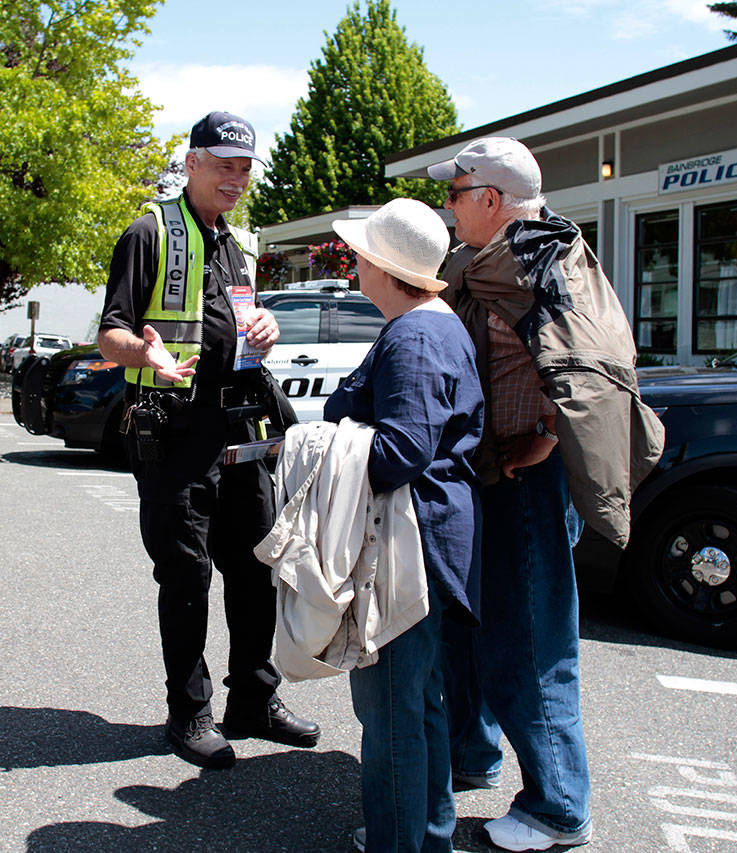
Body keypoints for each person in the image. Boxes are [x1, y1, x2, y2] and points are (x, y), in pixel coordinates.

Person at [427, 137, 663, 851]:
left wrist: (549, 436)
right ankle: (473, 753)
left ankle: (558, 808)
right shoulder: (489, 260)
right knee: (474, 627)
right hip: (487, 475)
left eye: (455, 193)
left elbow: (597, 361)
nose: (448, 206)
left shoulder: (545, 261)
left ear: (490, 199)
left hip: (524, 482)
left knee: (530, 642)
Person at [97, 111, 320, 769]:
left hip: (241, 430)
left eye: (245, 168)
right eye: (224, 165)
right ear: (192, 162)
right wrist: (144, 353)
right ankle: (188, 712)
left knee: (256, 568)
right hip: (175, 433)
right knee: (187, 576)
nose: (236, 178)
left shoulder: (235, 244)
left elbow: (238, 321)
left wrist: (266, 328)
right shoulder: (149, 233)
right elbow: (110, 333)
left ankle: (252, 699)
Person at [323, 198, 485, 852]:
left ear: (383, 268)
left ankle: (398, 842)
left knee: (390, 710)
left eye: (361, 255)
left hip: (405, 544)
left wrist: (324, 445)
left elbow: (402, 451)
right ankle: (427, 834)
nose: (355, 264)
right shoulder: (436, 323)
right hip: (435, 538)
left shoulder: (412, 336)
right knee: (422, 702)